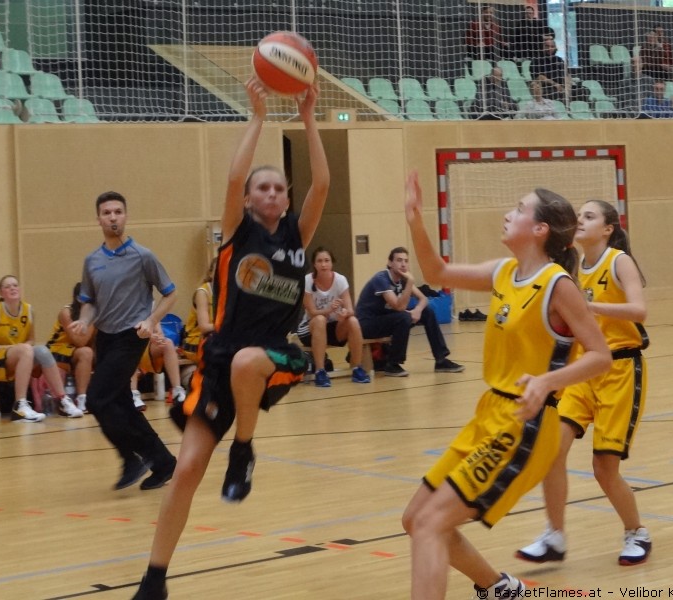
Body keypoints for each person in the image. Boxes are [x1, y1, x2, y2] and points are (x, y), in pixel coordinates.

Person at [132, 76, 329, 599]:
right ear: (246, 199)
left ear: (287, 199)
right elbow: (235, 174)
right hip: (219, 359)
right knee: (187, 470)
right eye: (262, 188)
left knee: (247, 362)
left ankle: (243, 449)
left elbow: (323, 185)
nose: (271, 193)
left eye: (279, 188)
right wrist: (257, 116)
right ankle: (154, 579)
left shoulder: (297, 235)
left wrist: (309, 118)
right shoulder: (238, 231)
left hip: (276, 354)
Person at [401, 171, 612, 600]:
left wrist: (548, 381)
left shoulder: (557, 285)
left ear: (539, 229)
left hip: (525, 425)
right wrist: (415, 220)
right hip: (489, 414)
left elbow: (600, 355)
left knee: (430, 524)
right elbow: (436, 271)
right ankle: (499, 588)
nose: (508, 214)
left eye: (519, 209)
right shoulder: (504, 272)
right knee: (415, 519)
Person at [516, 199, 652, 567]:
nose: (580, 220)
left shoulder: (618, 261)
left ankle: (636, 532)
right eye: (578, 216)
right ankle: (554, 535)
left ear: (608, 228)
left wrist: (590, 307)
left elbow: (639, 311)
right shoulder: (573, 267)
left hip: (620, 371)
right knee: (550, 451)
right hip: (583, 371)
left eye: (589, 216)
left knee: (604, 468)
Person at [70, 191, 178, 492]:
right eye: (107, 213)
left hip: (131, 337)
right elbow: (90, 301)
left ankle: (130, 458)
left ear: (126, 216)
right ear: (98, 219)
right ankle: (163, 462)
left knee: (96, 399)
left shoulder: (143, 256)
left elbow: (170, 293)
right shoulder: (92, 261)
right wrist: (85, 320)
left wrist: (151, 320)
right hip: (105, 338)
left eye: (118, 211)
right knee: (121, 404)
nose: (113, 217)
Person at [0, 275, 83, 422]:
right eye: (7, 286)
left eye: (15, 285)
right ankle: (20, 406)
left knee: (42, 351)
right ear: (1, 293)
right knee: (26, 350)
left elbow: (31, 340)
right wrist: (13, 347)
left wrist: (22, 348)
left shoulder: (28, 309)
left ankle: (62, 400)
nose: (12, 288)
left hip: (20, 356)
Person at [356, 247, 464, 377]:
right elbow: (398, 306)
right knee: (403, 317)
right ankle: (392, 364)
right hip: (366, 325)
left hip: (386, 321)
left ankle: (441, 360)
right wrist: (410, 282)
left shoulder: (403, 279)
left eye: (406, 261)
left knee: (427, 311)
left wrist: (417, 310)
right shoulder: (381, 279)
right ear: (390, 263)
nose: (403, 264)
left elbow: (423, 299)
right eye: (399, 260)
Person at [296, 246, 370, 387]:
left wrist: (344, 314)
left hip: (332, 329)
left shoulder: (340, 280)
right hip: (310, 329)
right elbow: (311, 312)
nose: (323, 264)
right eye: (320, 261)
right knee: (320, 319)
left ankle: (357, 368)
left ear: (332, 263)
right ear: (314, 264)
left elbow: (350, 310)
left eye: (326, 260)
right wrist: (330, 309)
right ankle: (320, 371)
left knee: (353, 321)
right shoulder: (307, 281)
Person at [46, 282, 95, 413]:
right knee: (86, 352)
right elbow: (79, 341)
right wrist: (94, 320)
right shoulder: (66, 312)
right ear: (79, 298)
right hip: (56, 349)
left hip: (74, 351)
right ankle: (82, 399)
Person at [130, 325, 186, 411]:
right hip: (126, 344)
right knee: (130, 347)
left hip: (146, 345)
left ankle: (177, 391)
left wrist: (157, 337)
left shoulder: (149, 315)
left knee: (167, 343)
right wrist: (149, 336)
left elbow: (159, 331)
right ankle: (133, 394)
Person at [179, 258, 216, 367]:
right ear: (211, 273)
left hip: (214, 336)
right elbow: (204, 327)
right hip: (196, 341)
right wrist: (228, 325)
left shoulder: (227, 292)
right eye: (218, 270)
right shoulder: (203, 292)